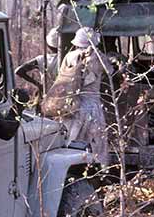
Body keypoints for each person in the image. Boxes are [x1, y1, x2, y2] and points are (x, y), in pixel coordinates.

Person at [42, 28, 111, 165]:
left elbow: (62, 77)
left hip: (73, 104)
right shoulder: (99, 57)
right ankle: (99, 171)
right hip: (93, 106)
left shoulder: (70, 56)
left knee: (71, 141)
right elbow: (110, 72)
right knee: (96, 144)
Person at [15, 28, 61, 97]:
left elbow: (19, 71)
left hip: (47, 95)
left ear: (48, 45)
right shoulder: (69, 58)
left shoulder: (42, 59)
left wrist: (38, 85)